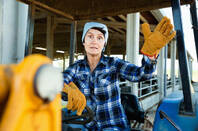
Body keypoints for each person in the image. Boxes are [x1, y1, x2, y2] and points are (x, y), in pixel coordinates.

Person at [63, 17, 176, 130]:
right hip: (87, 125)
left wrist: (150, 56)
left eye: (99, 38)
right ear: (84, 41)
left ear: (104, 44)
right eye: (90, 36)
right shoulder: (76, 68)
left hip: (113, 126)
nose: (94, 41)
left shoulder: (114, 64)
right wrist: (65, 87)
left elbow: (142, 74)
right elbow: (59, 80)